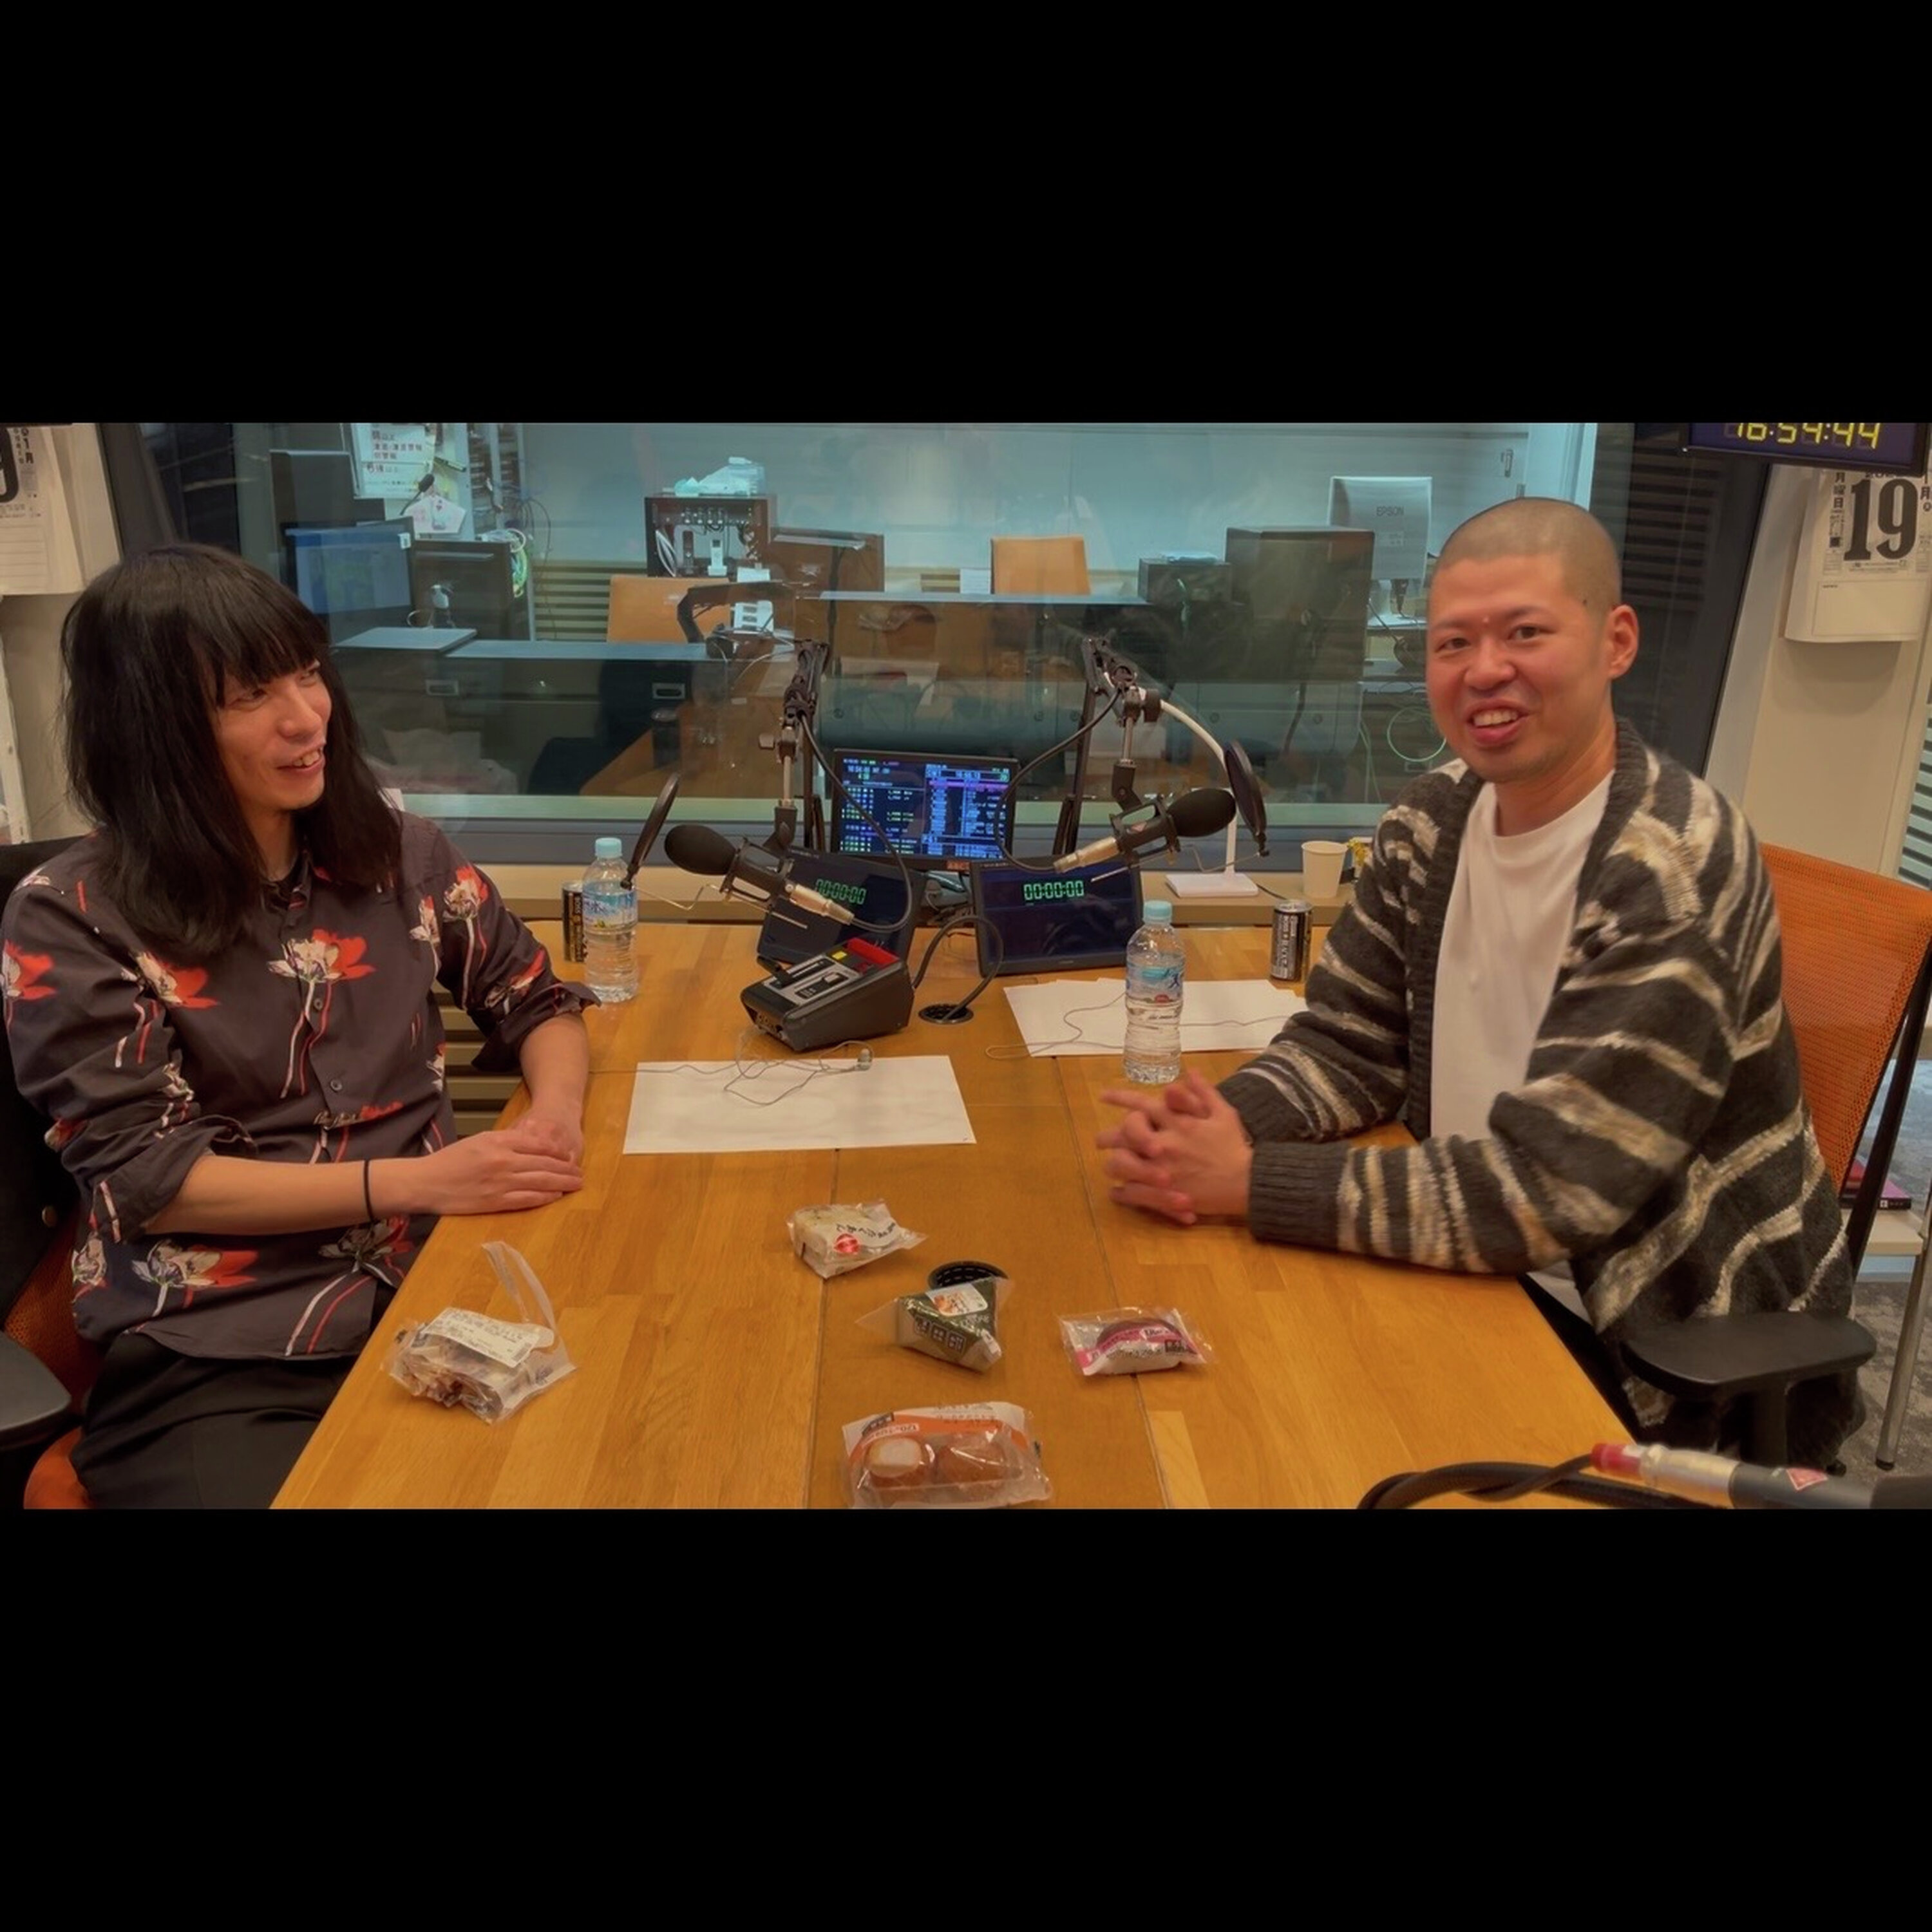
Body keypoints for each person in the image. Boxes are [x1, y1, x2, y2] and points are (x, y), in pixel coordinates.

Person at [1096, 497, 1861, 1469]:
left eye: (1525, 633)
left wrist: (1248, 1181)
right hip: (1476, 1260)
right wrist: (1219, 1127)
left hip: (1651, 1339)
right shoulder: (1433, 820)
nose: (1485, 669)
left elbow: (1549, 1189)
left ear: (1616, 642)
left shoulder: (1671, 864)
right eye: (1453, 642)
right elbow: (1350, 1041)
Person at [0, 542, 597, 1508]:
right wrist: (427, 1179)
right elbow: (152, 1182)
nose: (306, 715)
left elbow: (535, 998)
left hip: (445, 1283)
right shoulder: (68, 916)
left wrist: (556, 1119)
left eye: (307, 673)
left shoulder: (399, 851)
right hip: (222, 1343)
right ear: (153, 726)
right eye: (250, 696)